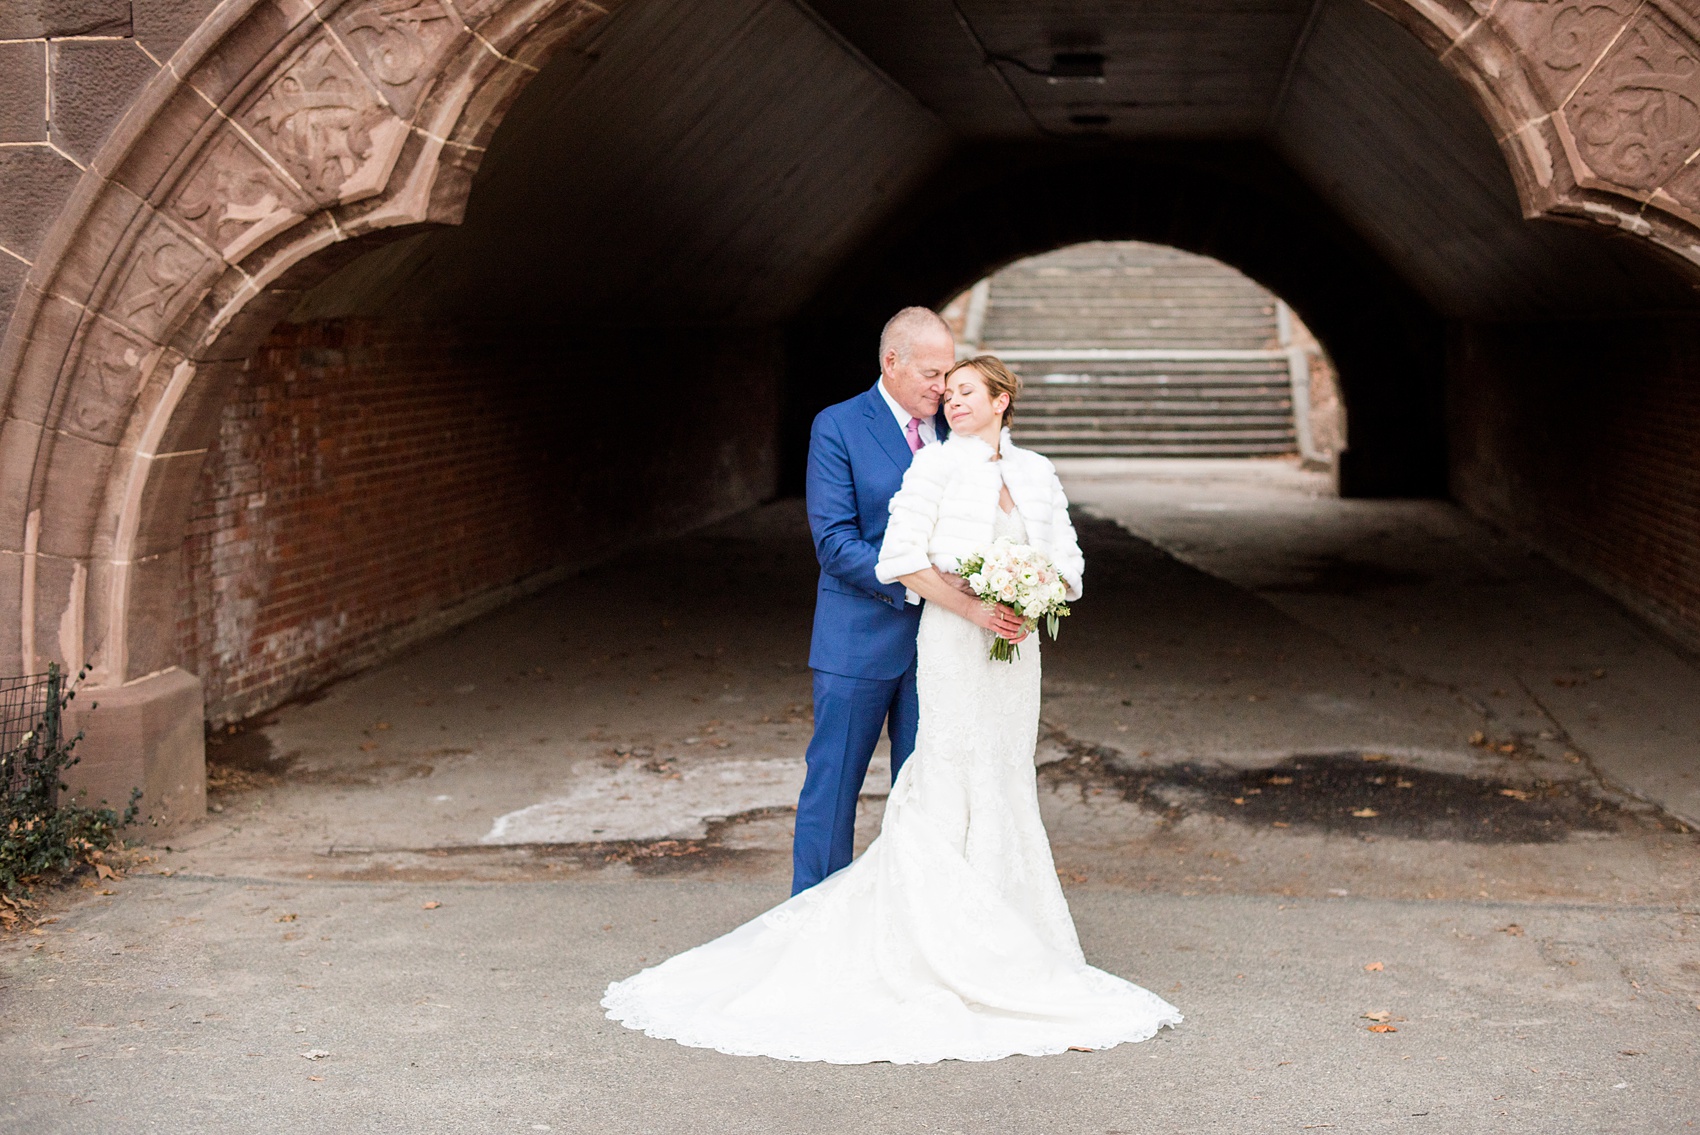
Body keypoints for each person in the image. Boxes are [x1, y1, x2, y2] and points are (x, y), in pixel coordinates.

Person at [601, 354, 1181, 1064]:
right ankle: (933, 939)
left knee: (1003, 776)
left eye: (967, 391)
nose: (951, 399)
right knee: (946, 769)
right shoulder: (934, 467)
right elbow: (900, 558)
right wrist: (973, 605)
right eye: (948, 390)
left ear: (1002, 401)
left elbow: (1070, 564)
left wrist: (1036, 599)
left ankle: (1012, 931)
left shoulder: (1037, 473)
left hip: (1015, 656)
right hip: (952, 644)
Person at [788, 307, 1025, 895]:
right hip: (858, 639)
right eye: (931, 373)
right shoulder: (837, 426)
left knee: (929, 791)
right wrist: (932, 584)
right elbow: (836, 542)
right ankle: (811, 915)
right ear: (890, 363)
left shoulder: (960, 431)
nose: (943, 387)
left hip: (942, 648)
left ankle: (915, 922)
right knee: (834, 784)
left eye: (950, 373)